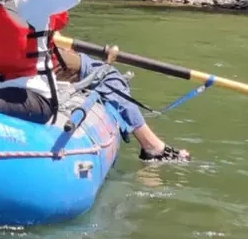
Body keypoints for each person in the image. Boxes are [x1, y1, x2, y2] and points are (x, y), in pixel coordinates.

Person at [53, 47, 191, 162]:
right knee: (111, 77)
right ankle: (152, 146)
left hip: (43, 53)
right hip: (44, 58)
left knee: (97, 67)